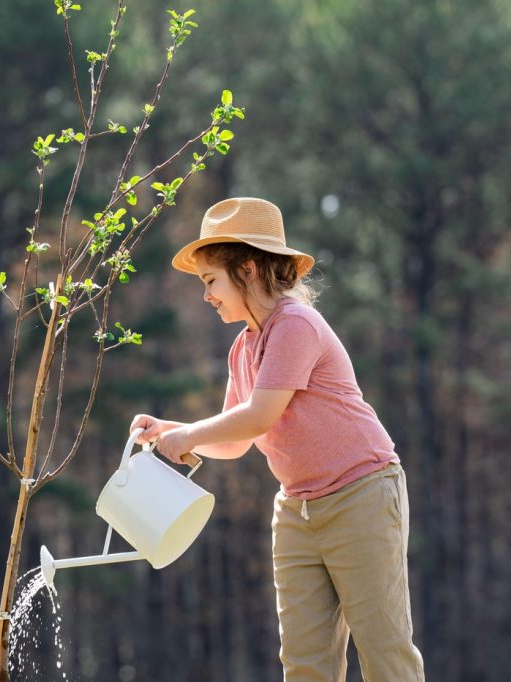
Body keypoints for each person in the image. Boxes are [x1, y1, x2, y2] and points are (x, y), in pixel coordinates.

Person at [129, 197, 425, 682]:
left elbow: (258, 417)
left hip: (362, 495)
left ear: (246, 270)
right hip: (296, 511)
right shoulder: (244, 346)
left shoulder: (295, 324)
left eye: (210, 281)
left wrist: (189, 434)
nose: (206, 296)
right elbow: (233, 439)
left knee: (385, 655)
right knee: (305, 665)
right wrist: (171, 433)